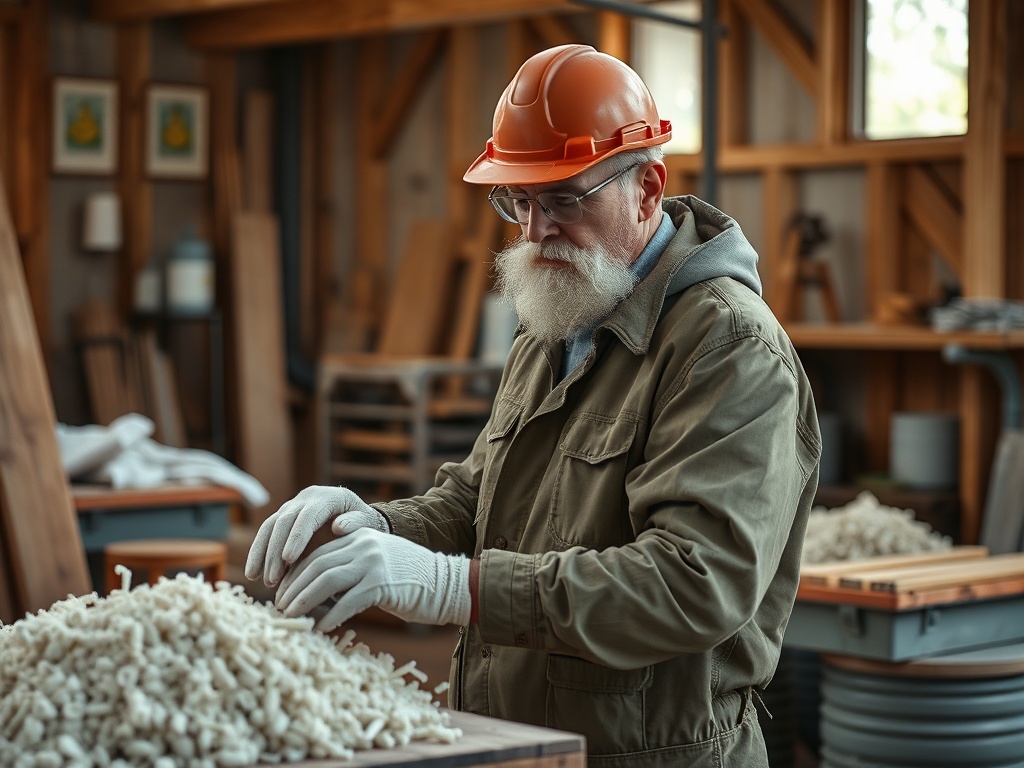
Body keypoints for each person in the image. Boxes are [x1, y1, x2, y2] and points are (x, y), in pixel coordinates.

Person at [247, 43, 821, 767]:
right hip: (522, 741)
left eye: (564, 199)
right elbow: (480, 497)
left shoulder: (726, 345)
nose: (536, 229)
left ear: (647, 189)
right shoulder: (560, 314)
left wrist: (456, 587)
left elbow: (693, 583)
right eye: (519, 201)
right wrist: (376, 526)